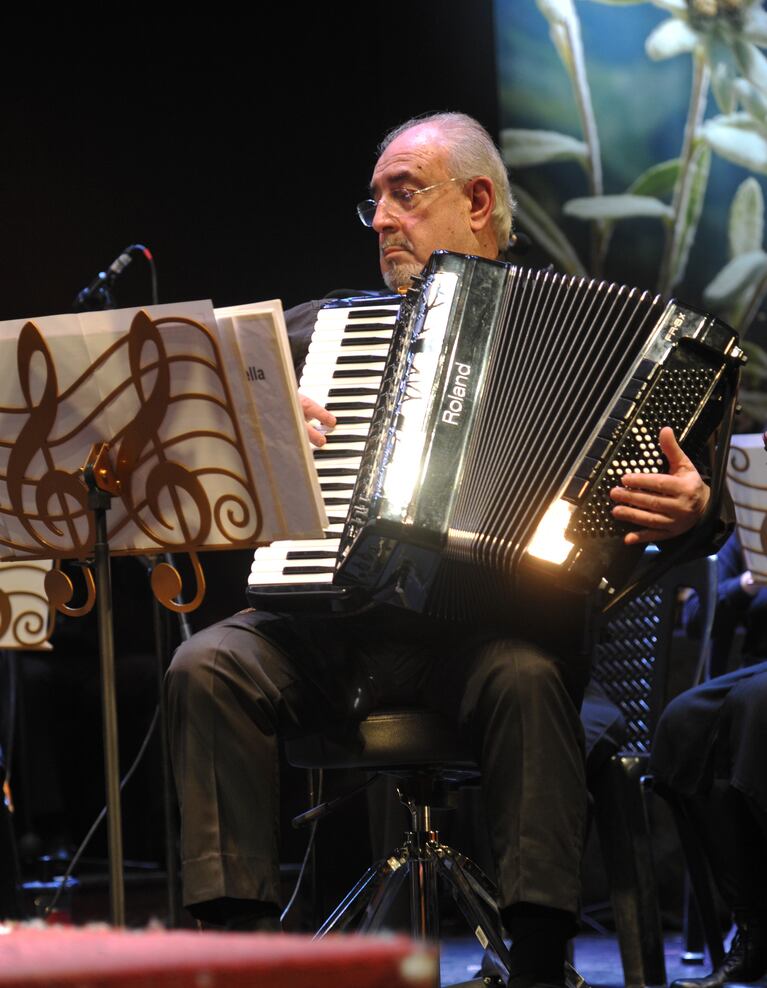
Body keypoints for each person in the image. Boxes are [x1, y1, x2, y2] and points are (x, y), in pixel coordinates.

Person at [166, 112, 713, 987]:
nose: (380, 218)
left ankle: (538, 961)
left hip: (489, 639)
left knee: (529, 679)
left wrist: (693, 507)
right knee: (207, 664)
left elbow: (683, 490)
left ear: (478, 200)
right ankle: (239, 953)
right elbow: (191, 427)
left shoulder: (607, 340)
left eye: (403, 193)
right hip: (327, 635)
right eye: (374, 200)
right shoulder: (321, 336)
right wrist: (250, 431)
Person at [651, 532, 767, 988]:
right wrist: (746, 583)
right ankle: (756, 928)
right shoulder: (757, 526)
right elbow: (695, 616)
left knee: (753, 707)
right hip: (754, 674)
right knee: (683, 721)